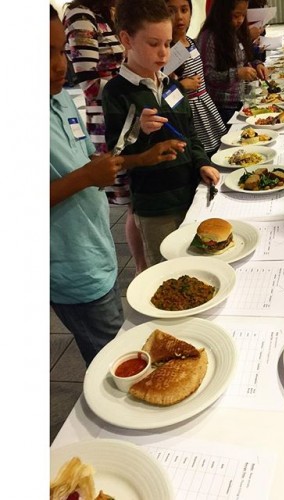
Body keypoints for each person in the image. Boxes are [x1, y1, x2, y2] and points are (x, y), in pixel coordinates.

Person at [102, 0, 220, 267]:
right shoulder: (117, 92)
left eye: (167, 44)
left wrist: (201, 163)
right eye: (153, 44)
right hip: (155, 206)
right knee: (167, 268)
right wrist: (139, 130)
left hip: (190, 193)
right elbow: (116, 154)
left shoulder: (171, 86)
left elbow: (191, 134)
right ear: (126, 39)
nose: (164, 53)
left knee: (197, 262)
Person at [50, 4, 125, 366]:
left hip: (95, 246)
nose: (60, 64)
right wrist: (87, 176)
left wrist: (92, 166)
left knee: (112, 342)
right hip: (72, 266)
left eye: (60, 50)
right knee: (113, 360)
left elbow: (78, 153)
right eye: (44, 54)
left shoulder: (58, 96)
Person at [63, 0, 148, 275]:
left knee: (140, 196)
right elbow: (89, 84)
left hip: (132, 115)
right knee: (133, 203)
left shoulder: (105, 14)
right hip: (110, 121)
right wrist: (136, 85)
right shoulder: (80, 15)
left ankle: (145, 263)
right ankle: (140, 267)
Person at [166, 0, 227, 157]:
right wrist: (181, 85)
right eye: (171, 11)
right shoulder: (168, 50)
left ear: (190, 13)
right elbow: (162, 89)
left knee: (217, 149)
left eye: (184, 10)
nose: (179, 17)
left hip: (204, 104)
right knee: (201, 151)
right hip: (189, 110)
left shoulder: (191, 42)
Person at [197, 0, 269, 126]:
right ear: (223, 13)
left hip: (241, 100)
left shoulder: (237, 31)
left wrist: (257, 64)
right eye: (236, 15)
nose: (240, 20)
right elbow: (207, 76)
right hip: (223, 107)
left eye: (243, 15)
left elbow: (246, 58)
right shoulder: (209, 37)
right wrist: (236, 74)